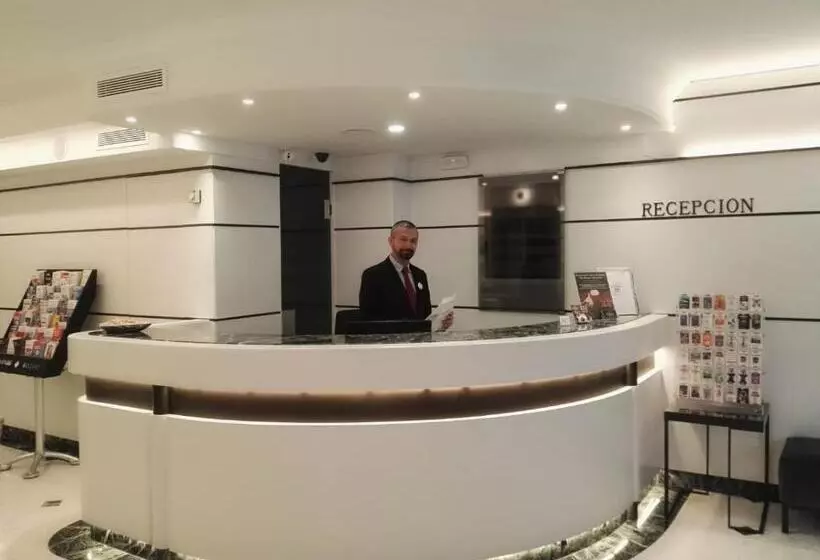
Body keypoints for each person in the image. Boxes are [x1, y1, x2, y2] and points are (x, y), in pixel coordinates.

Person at [359, 221, 453, 330]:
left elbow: (425, 318)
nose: (408, 245)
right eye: (403, 239)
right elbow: (368, 323)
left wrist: (440, 326)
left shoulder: (420, 275)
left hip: (419, 340)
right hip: (389, 340)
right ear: (391, 241)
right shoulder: (373, 276)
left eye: (413, 241)